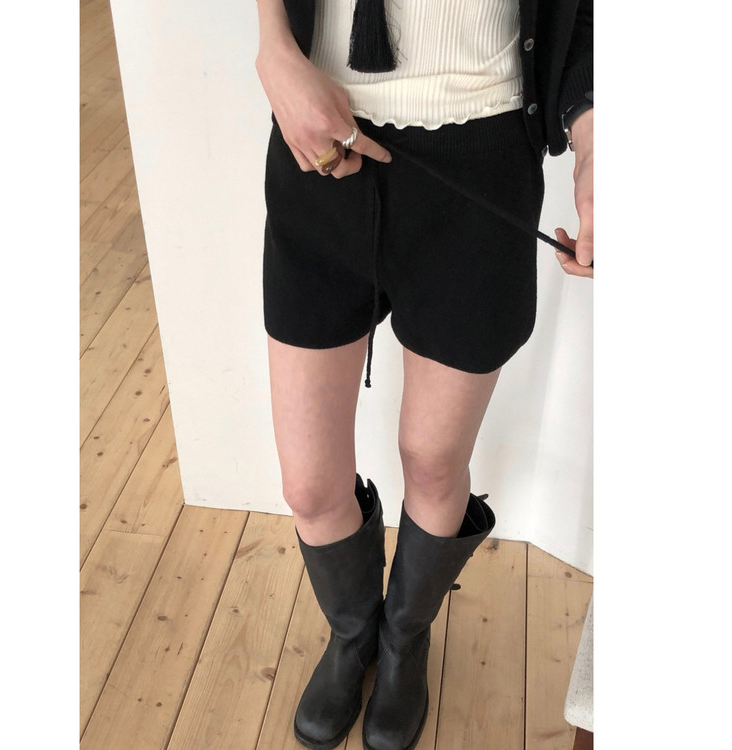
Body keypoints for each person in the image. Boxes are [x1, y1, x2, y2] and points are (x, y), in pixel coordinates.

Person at [254, 1, 593, 749]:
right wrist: (273, 48)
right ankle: (353, 636)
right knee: (308, 485)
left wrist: (597, 149)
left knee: (436, 462)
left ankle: (404, 640)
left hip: (481, 159)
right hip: (318, 143)